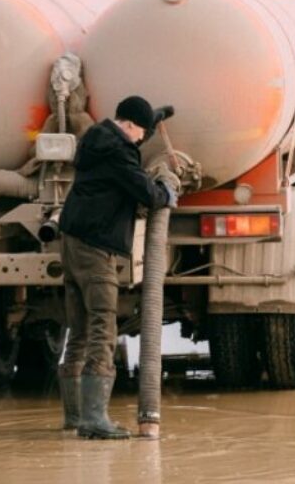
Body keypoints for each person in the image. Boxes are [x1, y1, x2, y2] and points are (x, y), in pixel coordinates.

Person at [56, 95, 177, 440]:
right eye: (141, 134)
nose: (142, 141)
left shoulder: (97, 138)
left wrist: (158, 115)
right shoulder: (119, 153)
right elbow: (146, 193)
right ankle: (95, 420)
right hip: (96, 249)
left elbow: (132, 137)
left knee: (77, 328)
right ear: (130, 126)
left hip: (72, 242)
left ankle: (74, 416)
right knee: (101, 327)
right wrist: (165, 192)